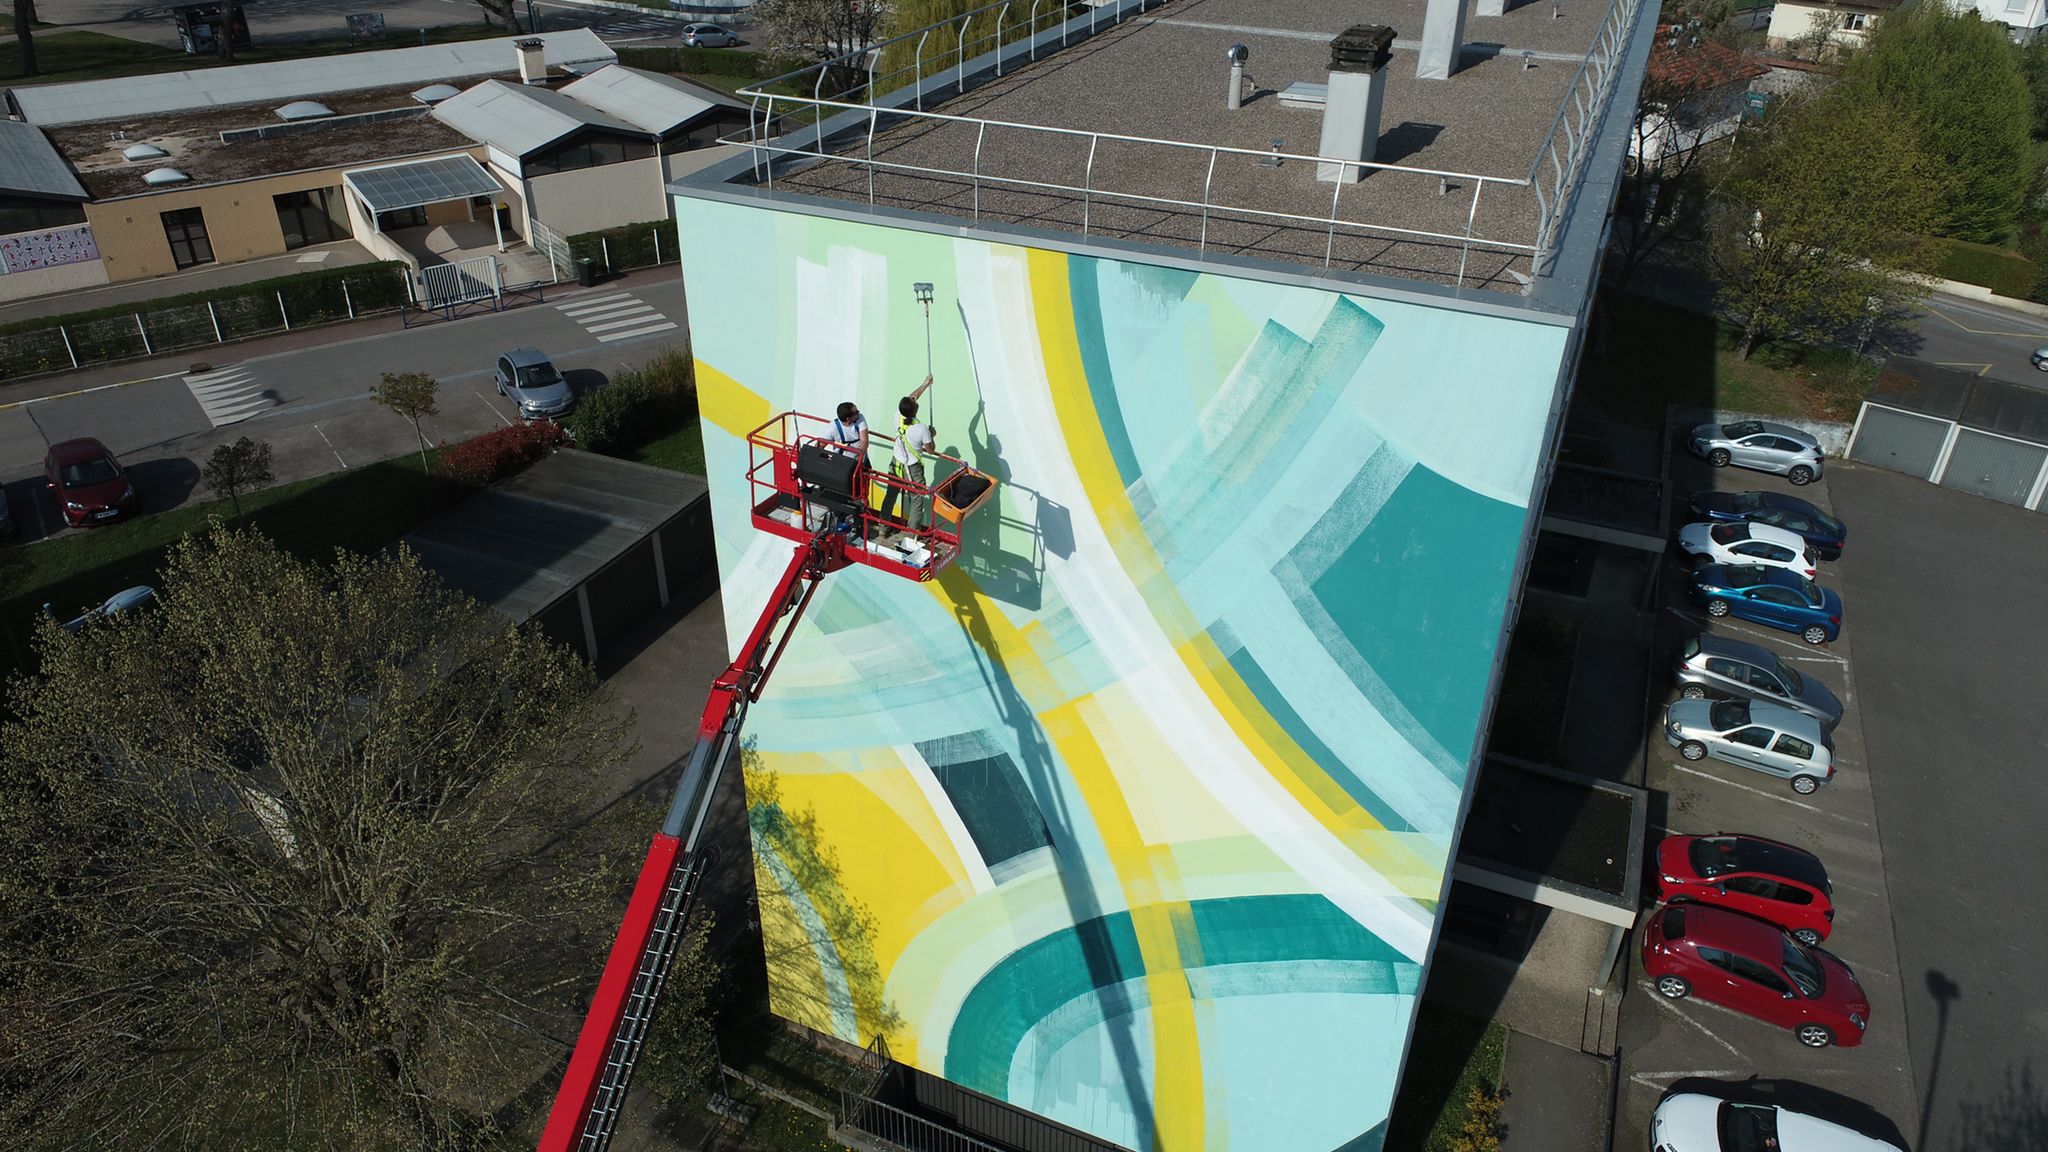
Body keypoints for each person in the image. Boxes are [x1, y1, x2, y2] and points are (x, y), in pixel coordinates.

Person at [881, 374, 936, 530]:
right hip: (912, 468)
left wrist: (924, 384)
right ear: (915, 411)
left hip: (896, 463)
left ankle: (883, 527)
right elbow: (931, 451)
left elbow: (912, 398)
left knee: (891, 495)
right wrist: (932, 435)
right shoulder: (921, 428)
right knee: (917, 498)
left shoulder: (897, 416)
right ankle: (912, 533)